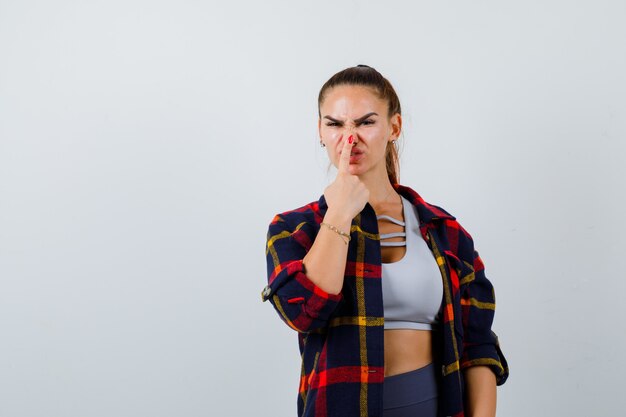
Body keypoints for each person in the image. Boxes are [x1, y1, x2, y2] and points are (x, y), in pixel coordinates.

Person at [261, 64, 509, 417]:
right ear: (320, 131)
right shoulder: (295, 228)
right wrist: (340, 212)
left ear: (394, 127)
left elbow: (477, 345)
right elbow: (303, 313)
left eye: (365, 122)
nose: (350, 138)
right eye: (335, 124)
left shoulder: (445, 232)